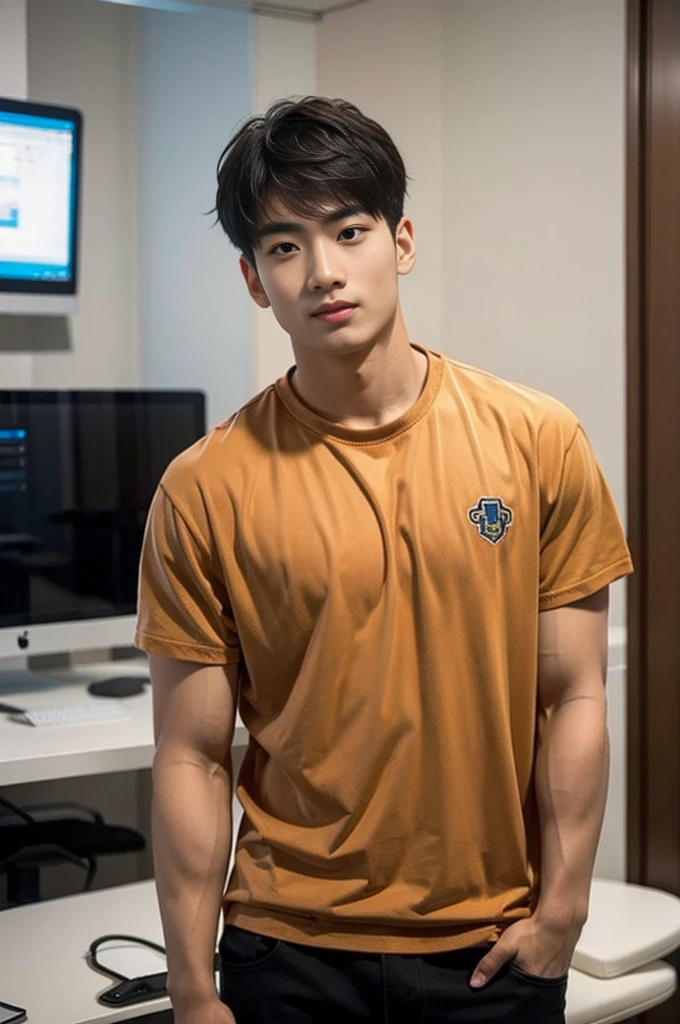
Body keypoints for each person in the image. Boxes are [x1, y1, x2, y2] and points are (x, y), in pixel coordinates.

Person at [135, 95, 633, 1024]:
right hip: (287, 950)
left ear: (400, 240)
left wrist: (564, 909)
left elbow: (573, 696)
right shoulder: (204, 487)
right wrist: (191, 984)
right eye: (285, 247)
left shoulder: (537, 440)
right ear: (254, 281)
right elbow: (193, 753)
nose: (323, 271)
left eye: (348, 230)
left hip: (491, 945)